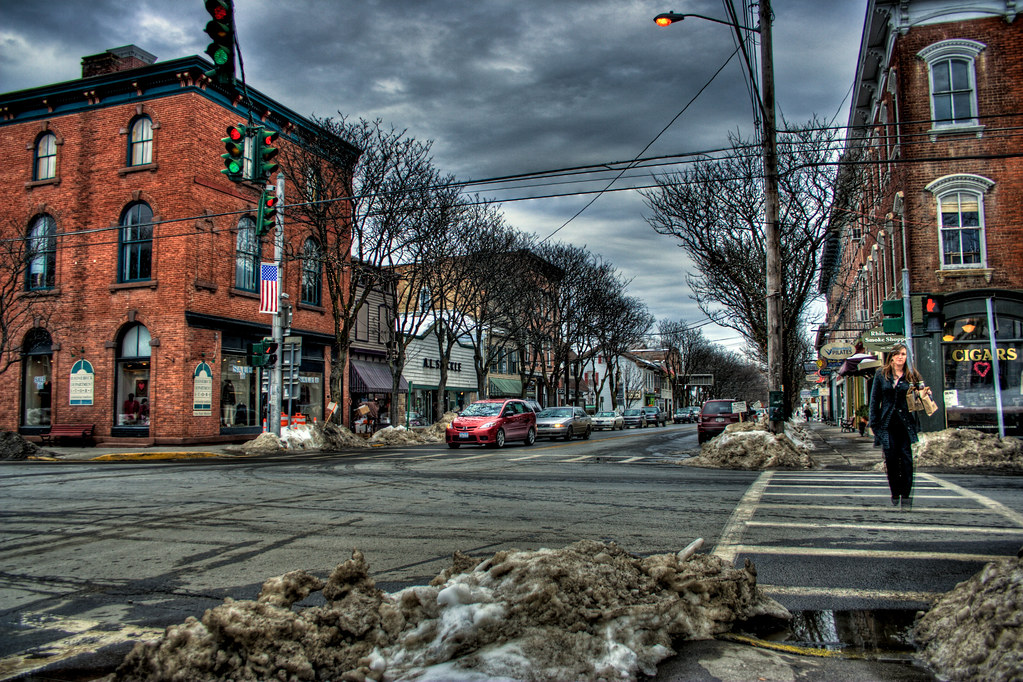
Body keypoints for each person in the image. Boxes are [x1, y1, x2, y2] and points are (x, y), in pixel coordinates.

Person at [868, 343, 923, 510]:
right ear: (891, 356)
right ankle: (895, 492)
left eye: (904, 354)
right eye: (898, 354)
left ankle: (906, 496)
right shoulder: (881, 375)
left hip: (906, 424)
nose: (901, 357)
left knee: (906, 460)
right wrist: (874, 424)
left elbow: (920, 397)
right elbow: (874, 400)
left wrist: (923, 392)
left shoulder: (912, 375)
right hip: (887, 425)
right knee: (891, 460)